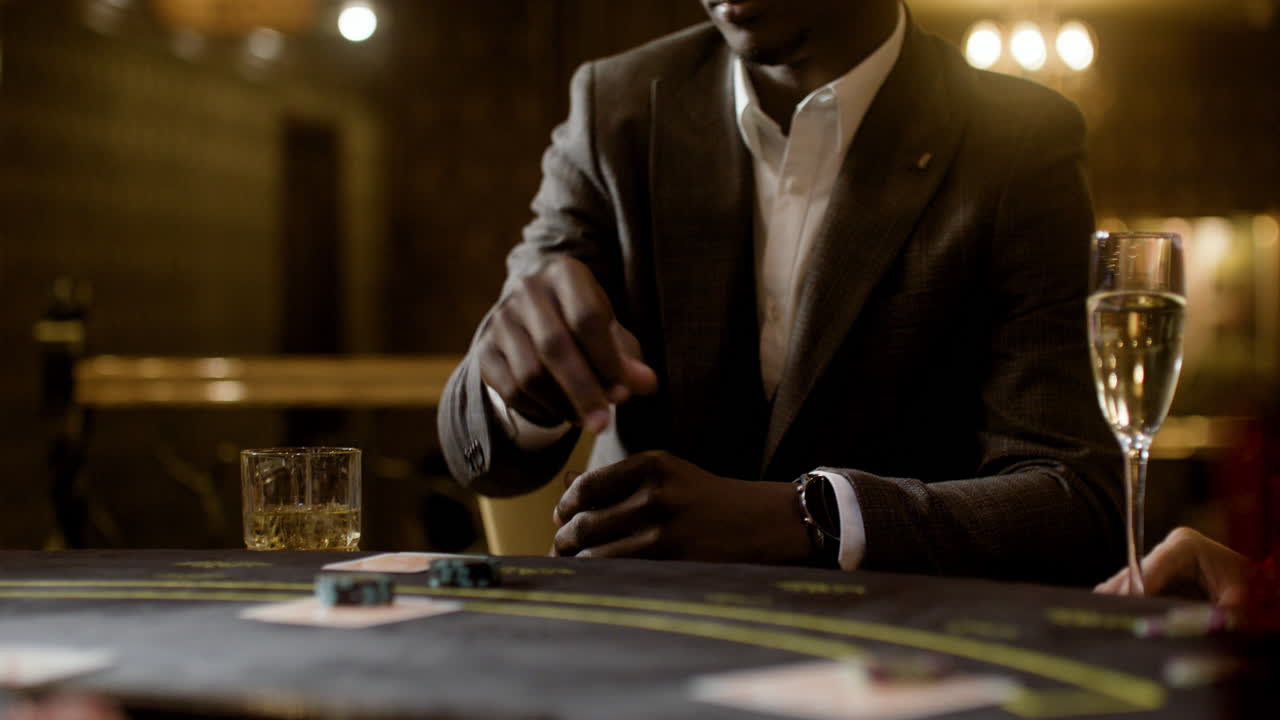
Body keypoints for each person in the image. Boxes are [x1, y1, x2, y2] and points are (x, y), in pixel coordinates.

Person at [439, 0, 1123, 583]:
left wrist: (811, 519)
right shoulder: (619, 103)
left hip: (900, 656)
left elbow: (1072, 500)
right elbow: (479, 447)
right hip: (642, 642)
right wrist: (522, 387)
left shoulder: (1019, 140)